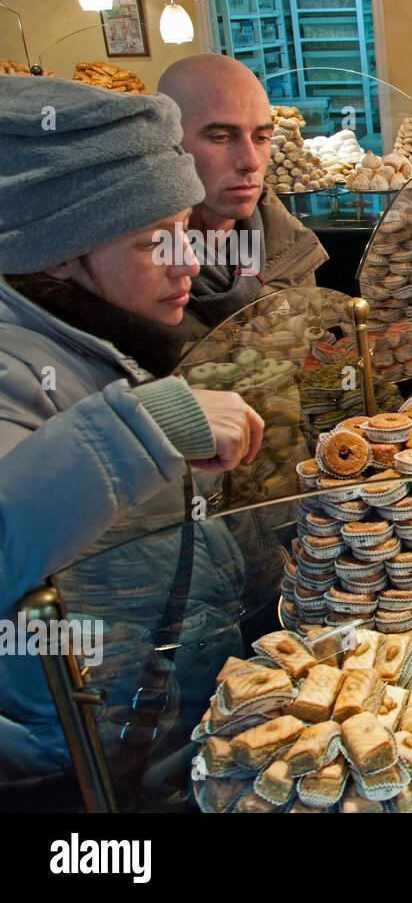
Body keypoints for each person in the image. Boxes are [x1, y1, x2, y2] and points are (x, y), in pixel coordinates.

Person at [0, 75, 265, 787]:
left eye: (184, 231)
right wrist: (151, 425)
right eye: (154, 242)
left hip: (155, 726)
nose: (188, 262)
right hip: (80, 764)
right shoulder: (13, 359)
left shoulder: (98, 336)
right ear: (58, 252)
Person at [157, 54, 327, 346]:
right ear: (165, 143)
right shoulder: (134, 273)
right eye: (221, 137)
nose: (250, 161)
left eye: (261, 138)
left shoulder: (289, 249)